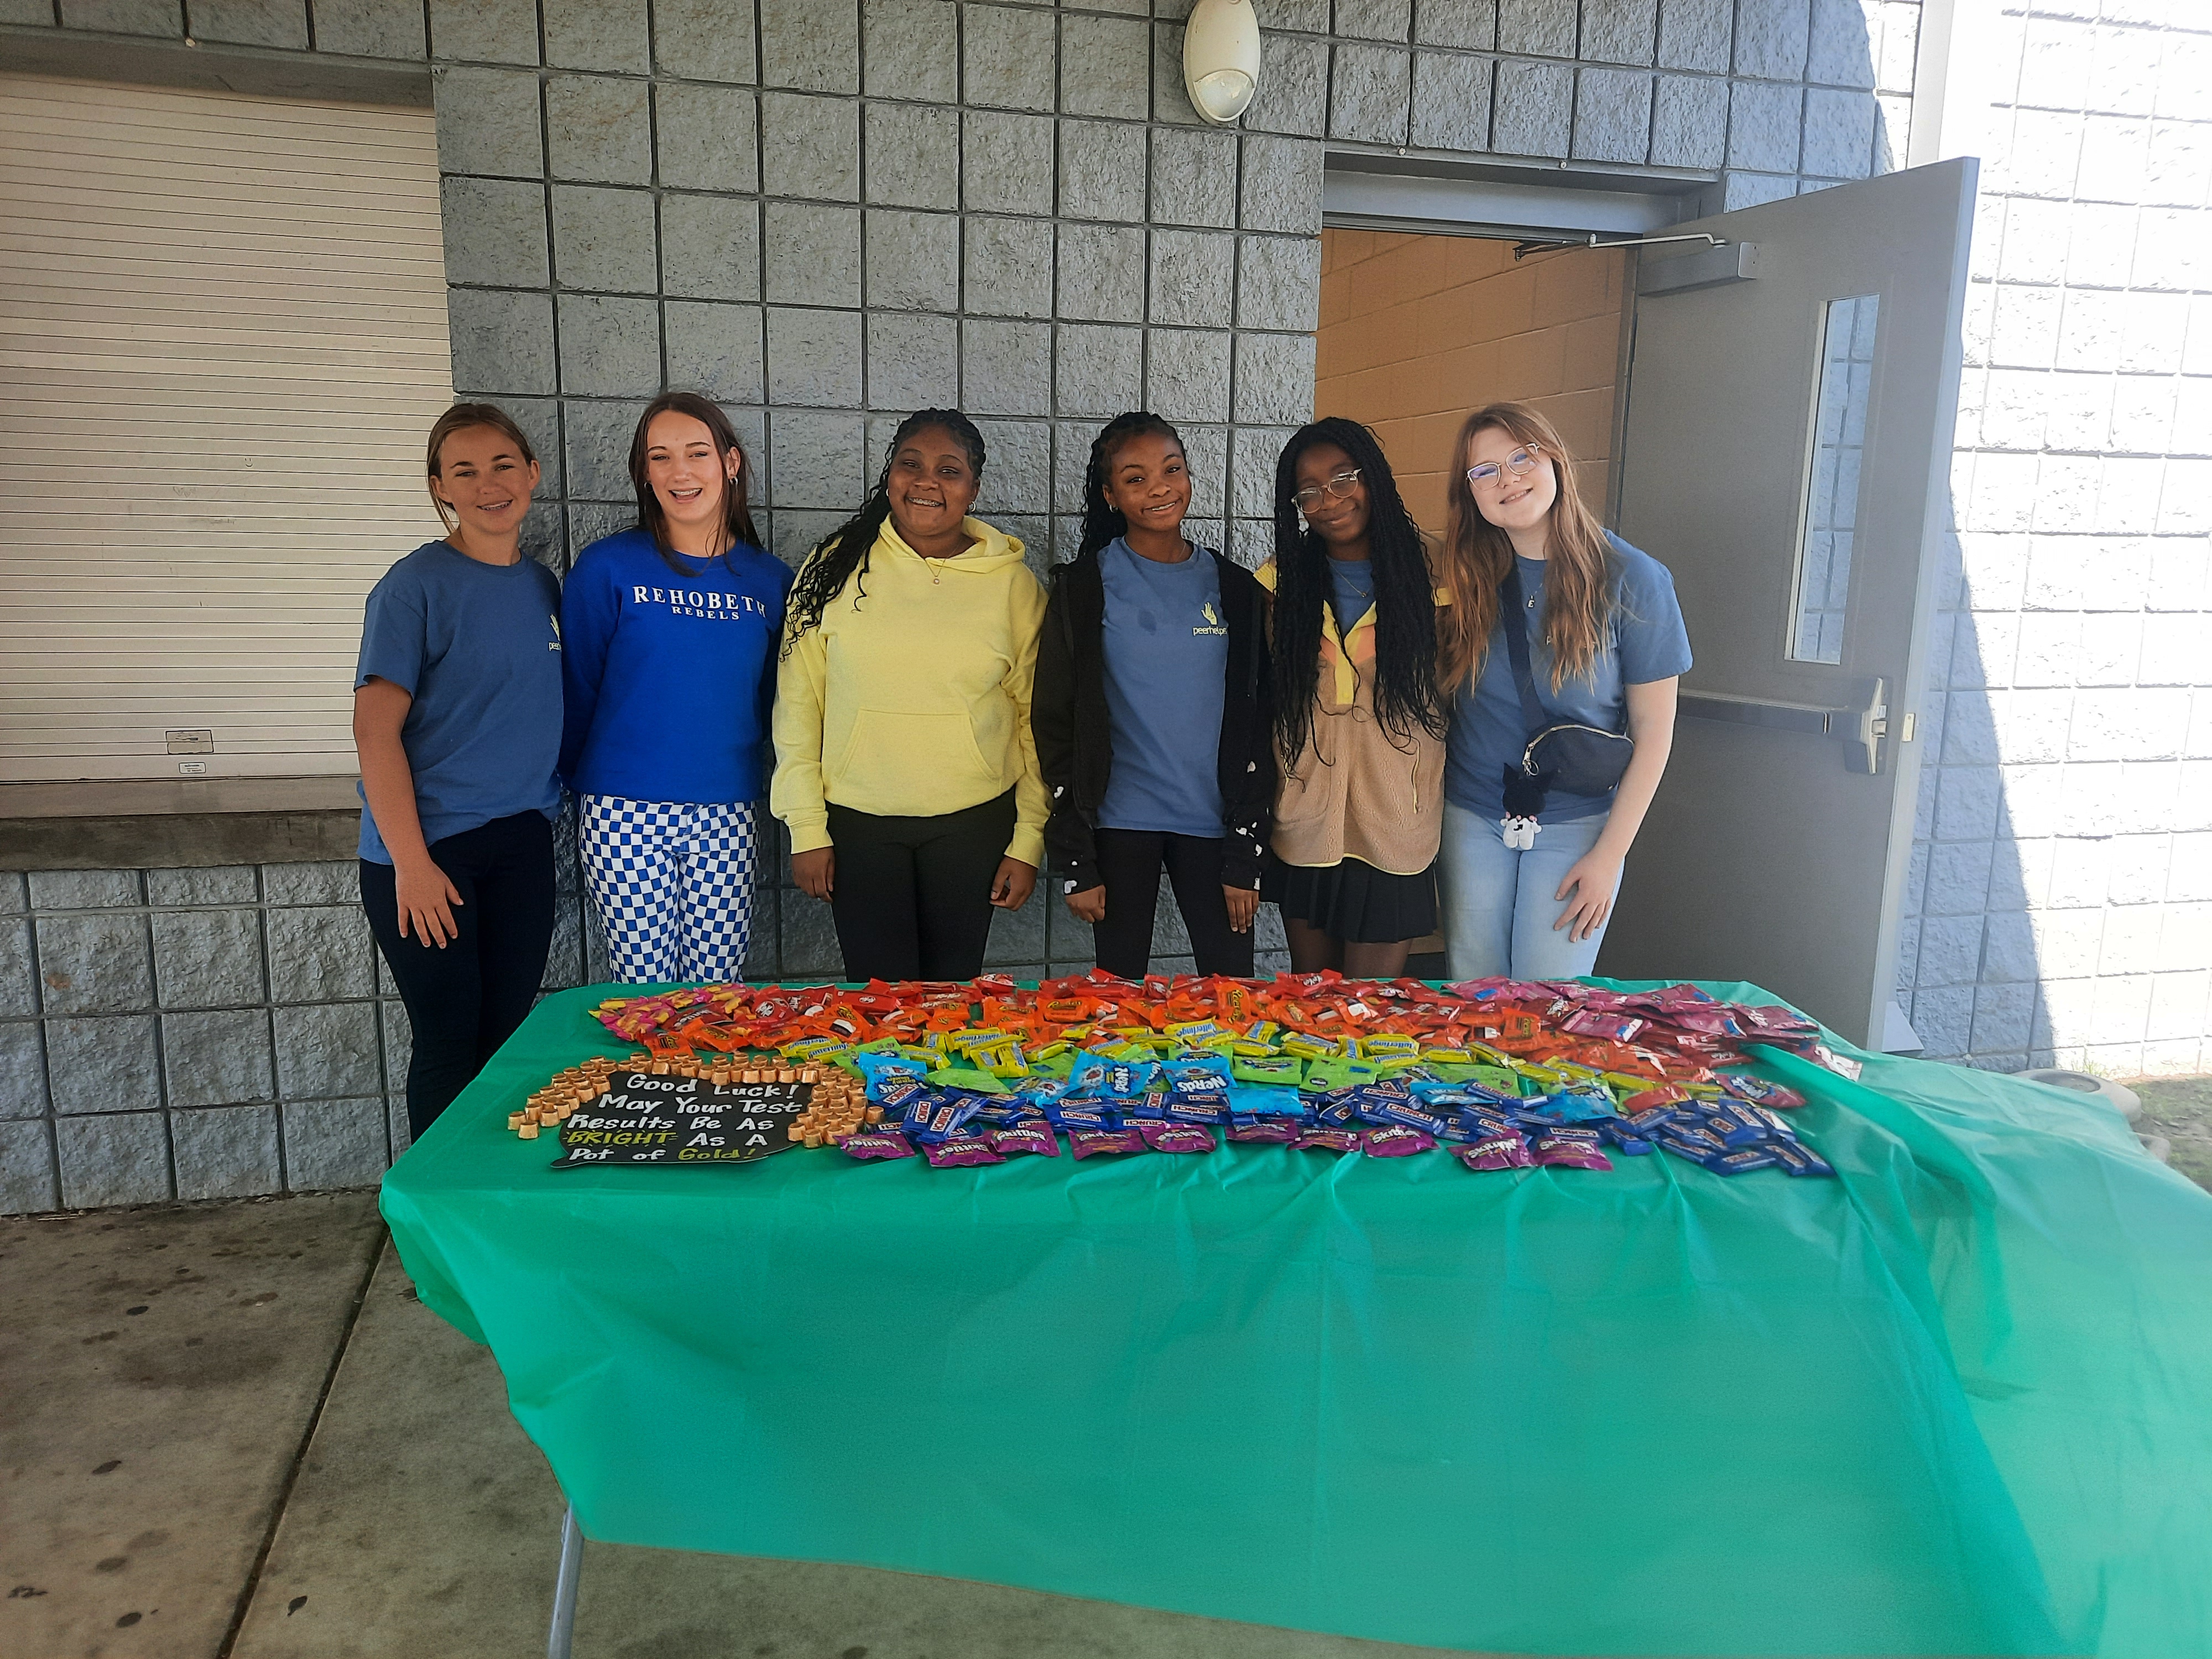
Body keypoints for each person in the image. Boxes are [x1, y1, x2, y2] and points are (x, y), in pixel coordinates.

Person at [770, 409, 1047, 982]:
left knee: (952, 1005)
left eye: (949, 471)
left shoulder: (1014, 588)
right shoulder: (833, 567)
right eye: (910, 464)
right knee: (878, 1007)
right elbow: (798, 707)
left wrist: (1028, 839)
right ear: (889, 475)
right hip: (859, 824)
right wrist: (806, 826)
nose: (926, 481)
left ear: (973, 489)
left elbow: (1034, 720)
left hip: (972, 824)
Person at [354, 403, 562, 1140]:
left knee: (503, 1042)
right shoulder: (414, 586)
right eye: (465, 472)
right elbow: (374, 731)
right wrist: (410, 864)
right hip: (428, 855)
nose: (488, 485)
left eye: (503, 465)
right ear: (441, 487)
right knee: (449, 1045)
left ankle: (484, 1216)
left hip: (520, 847)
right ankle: (436, 1232)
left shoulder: (543, 589)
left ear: (532, 474)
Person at [1433, 402, 1689, 981]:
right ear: (1468, 491)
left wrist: (1609, 857)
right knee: (1474, 996)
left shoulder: (1632, 578)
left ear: (1555, 459)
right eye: (1485, 471)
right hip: (1472, 814)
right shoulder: (1459, 574)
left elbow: (1654, 733)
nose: (1508, 479)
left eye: (1521, 457)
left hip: (1577, 824)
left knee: (1548, 1000)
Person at [1032, 412, 1275, 979]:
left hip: (1214, 825)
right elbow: (1055, 722)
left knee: (1230, 991)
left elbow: (1259, 718)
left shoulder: (1235, 588)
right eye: (1135, 478)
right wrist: (1075, 859)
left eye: (1171, 469)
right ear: (1110, 495)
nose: (1159, 487)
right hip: (1121, 823)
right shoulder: (1083, 587)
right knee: (1118, 997)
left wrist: (1246, 847)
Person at [560, 392, 790, 984]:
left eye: (696, 453)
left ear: (730, 464)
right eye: (660, 457)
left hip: (727, 809)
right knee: (646, 997)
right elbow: (578, 685)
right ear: (644, 472)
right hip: (623, 810)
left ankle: (707, 1083)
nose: (679, 472)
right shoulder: (607, 568)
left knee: (718, 996)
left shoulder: (770, 581)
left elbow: (774, 701)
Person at [1259, 418, 1452, 979]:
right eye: (1309, 490)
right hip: (1307, 819)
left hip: (1396, 820)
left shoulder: (1437, 576)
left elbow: (1463, 695)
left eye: (1344, 477)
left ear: (1375, 479)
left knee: (1370, 1010)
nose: (1329, 500)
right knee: (1311, 1004)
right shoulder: (1279, 582)